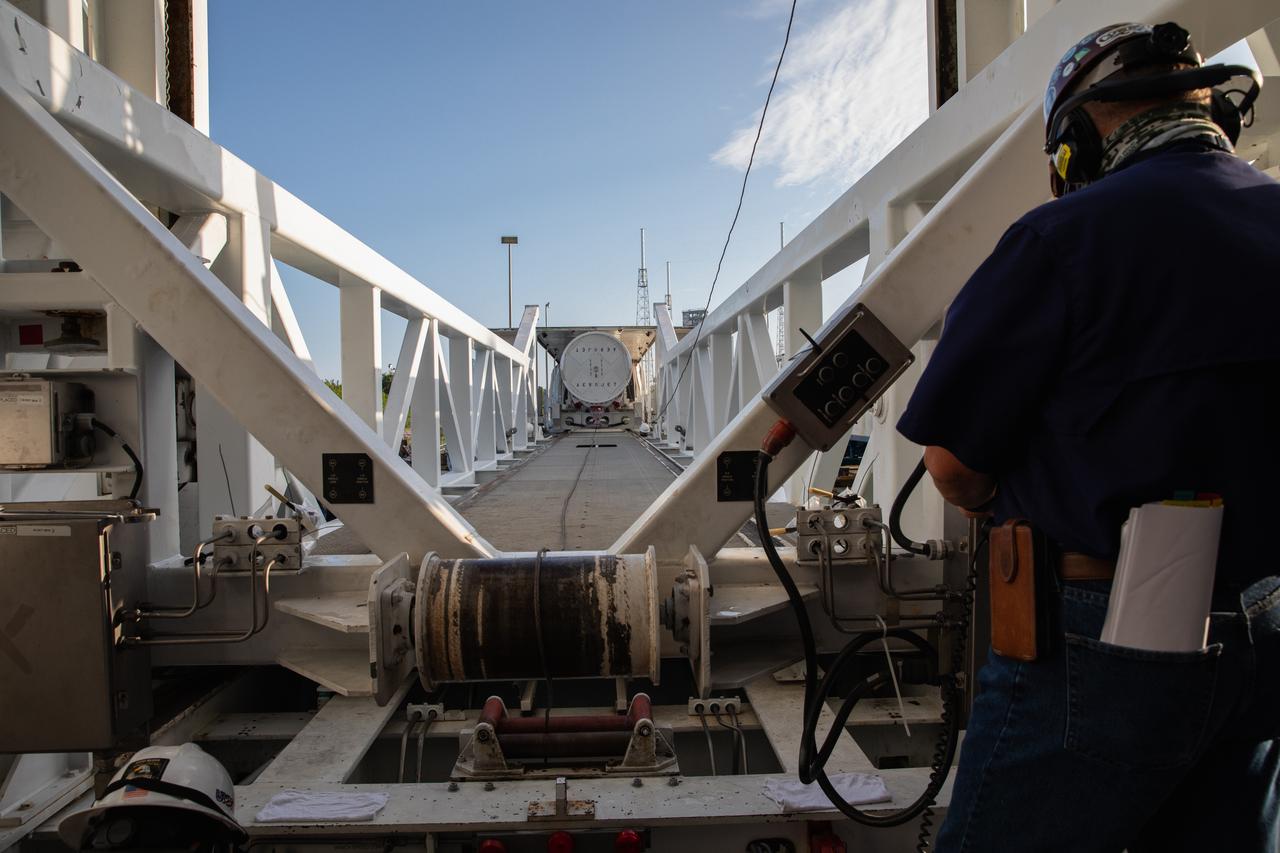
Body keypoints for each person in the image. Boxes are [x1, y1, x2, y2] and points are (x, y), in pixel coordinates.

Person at [896, 21, 1280, 853]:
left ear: (1075, 138)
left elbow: (953, 467)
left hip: (1113, 636)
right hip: (1270, 628)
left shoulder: (1062, 238)